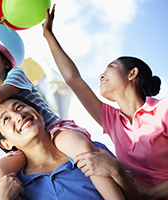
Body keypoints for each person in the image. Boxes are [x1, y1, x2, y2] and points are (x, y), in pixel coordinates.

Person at [0, 33, 126, 199]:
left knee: (83, 150)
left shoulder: (16, 75)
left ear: (4, 62)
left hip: (53, 131)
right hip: (25, 143)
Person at [43, 4, 168, 200]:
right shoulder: (112, 120)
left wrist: (151, 193)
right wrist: (48, 35)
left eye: (110, 67)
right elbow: (73, 78)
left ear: (132, 73)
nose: (102, 74)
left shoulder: (163, 110)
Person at [0, 96, 129, 200]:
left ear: (39, 114)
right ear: (5, 144)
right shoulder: (18, 188)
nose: (18, 115)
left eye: (19, 107)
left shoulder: (93, 150)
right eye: (6, 119)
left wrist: (118, 172)